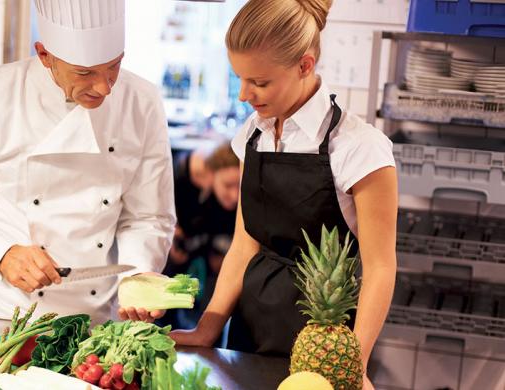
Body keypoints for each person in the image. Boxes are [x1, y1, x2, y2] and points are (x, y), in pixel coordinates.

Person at [170, 1, 398, 389]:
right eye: (240, 79)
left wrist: (353, 365)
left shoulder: (361, 148)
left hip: (325, 336)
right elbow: (245, 244)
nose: (244, 95)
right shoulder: (252, 135)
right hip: (249, 328)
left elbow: (380, 267)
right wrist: (208, 329)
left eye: (259, 83)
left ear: (305, 66)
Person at [0, 0, 175, 326]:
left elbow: (148, 216)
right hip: (6, 317)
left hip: (99, 320)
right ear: (45, 55)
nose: (105, 87)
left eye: (114, 66)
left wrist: (137, 279)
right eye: (85, 72)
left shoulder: (142, 101)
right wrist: (1, 252)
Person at [162, 142, 239, 329]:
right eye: (228, 185)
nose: (235, 196)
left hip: (211, 265)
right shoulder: (180, 178)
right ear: (210, 175)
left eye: (240, 186)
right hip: (178, 258)